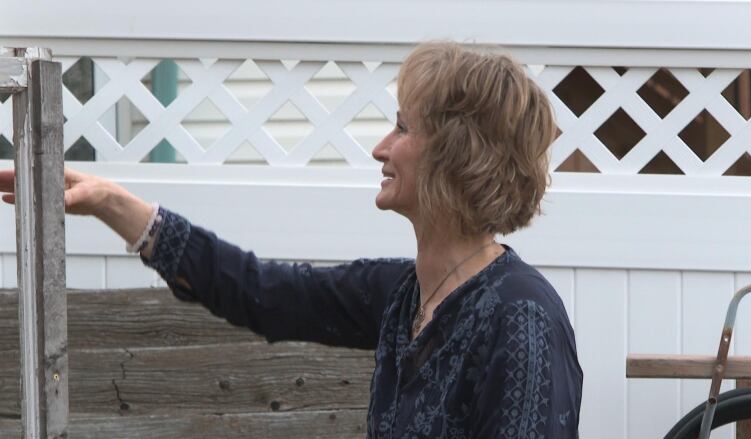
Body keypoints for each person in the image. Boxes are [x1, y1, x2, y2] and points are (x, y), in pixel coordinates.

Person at [1, 41, 582, 438]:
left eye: (403, 127)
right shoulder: (404, 295)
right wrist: (109, 201)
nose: (380, 147)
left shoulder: (521, 318)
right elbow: (259, 292)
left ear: (459, 154)